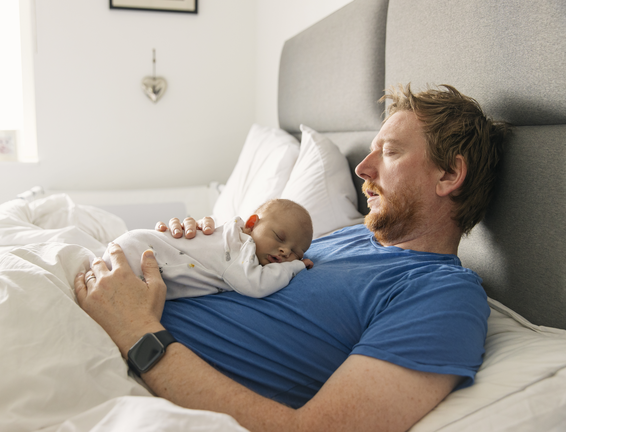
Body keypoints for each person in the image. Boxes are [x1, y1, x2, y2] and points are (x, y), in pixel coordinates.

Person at [74, 84, 510, 432]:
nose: (363, 169)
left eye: (391, 152)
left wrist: (137, 332)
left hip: (124, 358)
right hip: (103, 310)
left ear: (449, 174)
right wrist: (189, 246)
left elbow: (314, 428)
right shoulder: (343, 239)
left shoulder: (443, 296)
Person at [101, 198, 314, 300]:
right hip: (140, 254)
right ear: (250, 225)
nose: (285, 251)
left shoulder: (235, 239)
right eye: (279, 237)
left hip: (136, 246)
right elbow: (255, 284)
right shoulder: (241, 247)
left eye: (296, 252)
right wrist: (294, 266)